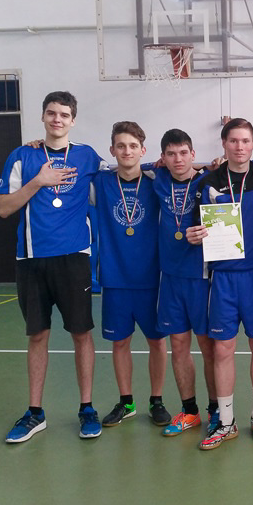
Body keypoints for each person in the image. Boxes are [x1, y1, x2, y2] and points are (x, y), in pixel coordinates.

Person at [0, 91, 108, 442]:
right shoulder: (22, 156)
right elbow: (3, 208)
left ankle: (86, 408)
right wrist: (38, 181)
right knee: (38, 335)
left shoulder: (87, 156)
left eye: (63, 114)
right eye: (51, 113)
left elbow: (123, 172)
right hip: (31, 260)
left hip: (73, 259)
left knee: (81, 333)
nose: (57, 119)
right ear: (43, 117)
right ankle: (35, 413)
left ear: (73, 120)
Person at [191, 118, 253, 450]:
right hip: (222, 277)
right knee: (222, 349)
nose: (239, 147)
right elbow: (195, 226)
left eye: (245, 141)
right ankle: (226, 421)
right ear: (224, 144)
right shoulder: (208, 182)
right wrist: (195, 235)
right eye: (233, 141)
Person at [93, 121, 170, 428]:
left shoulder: (157, 180)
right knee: (120, 343)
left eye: (133, 146)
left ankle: (157, 400)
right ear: (112, 150)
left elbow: (189, 172)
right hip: (115, 279)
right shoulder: (100, 182)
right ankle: (127, 402)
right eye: (121, 146)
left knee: (157, 342)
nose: (127, 151)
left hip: (152, 279)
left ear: (143, 150)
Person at [153, 129, 216, 438]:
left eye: (183, 153)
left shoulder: (209, 182)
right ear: (163, 158)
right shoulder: (158, 179)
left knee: (207, 346)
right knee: (178, 344)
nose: (177, 159)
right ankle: (190, 411)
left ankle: (216, 410)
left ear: (193, 154)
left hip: (201, 277)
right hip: (170, 277)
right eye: (171, 154)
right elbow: (128, 166)